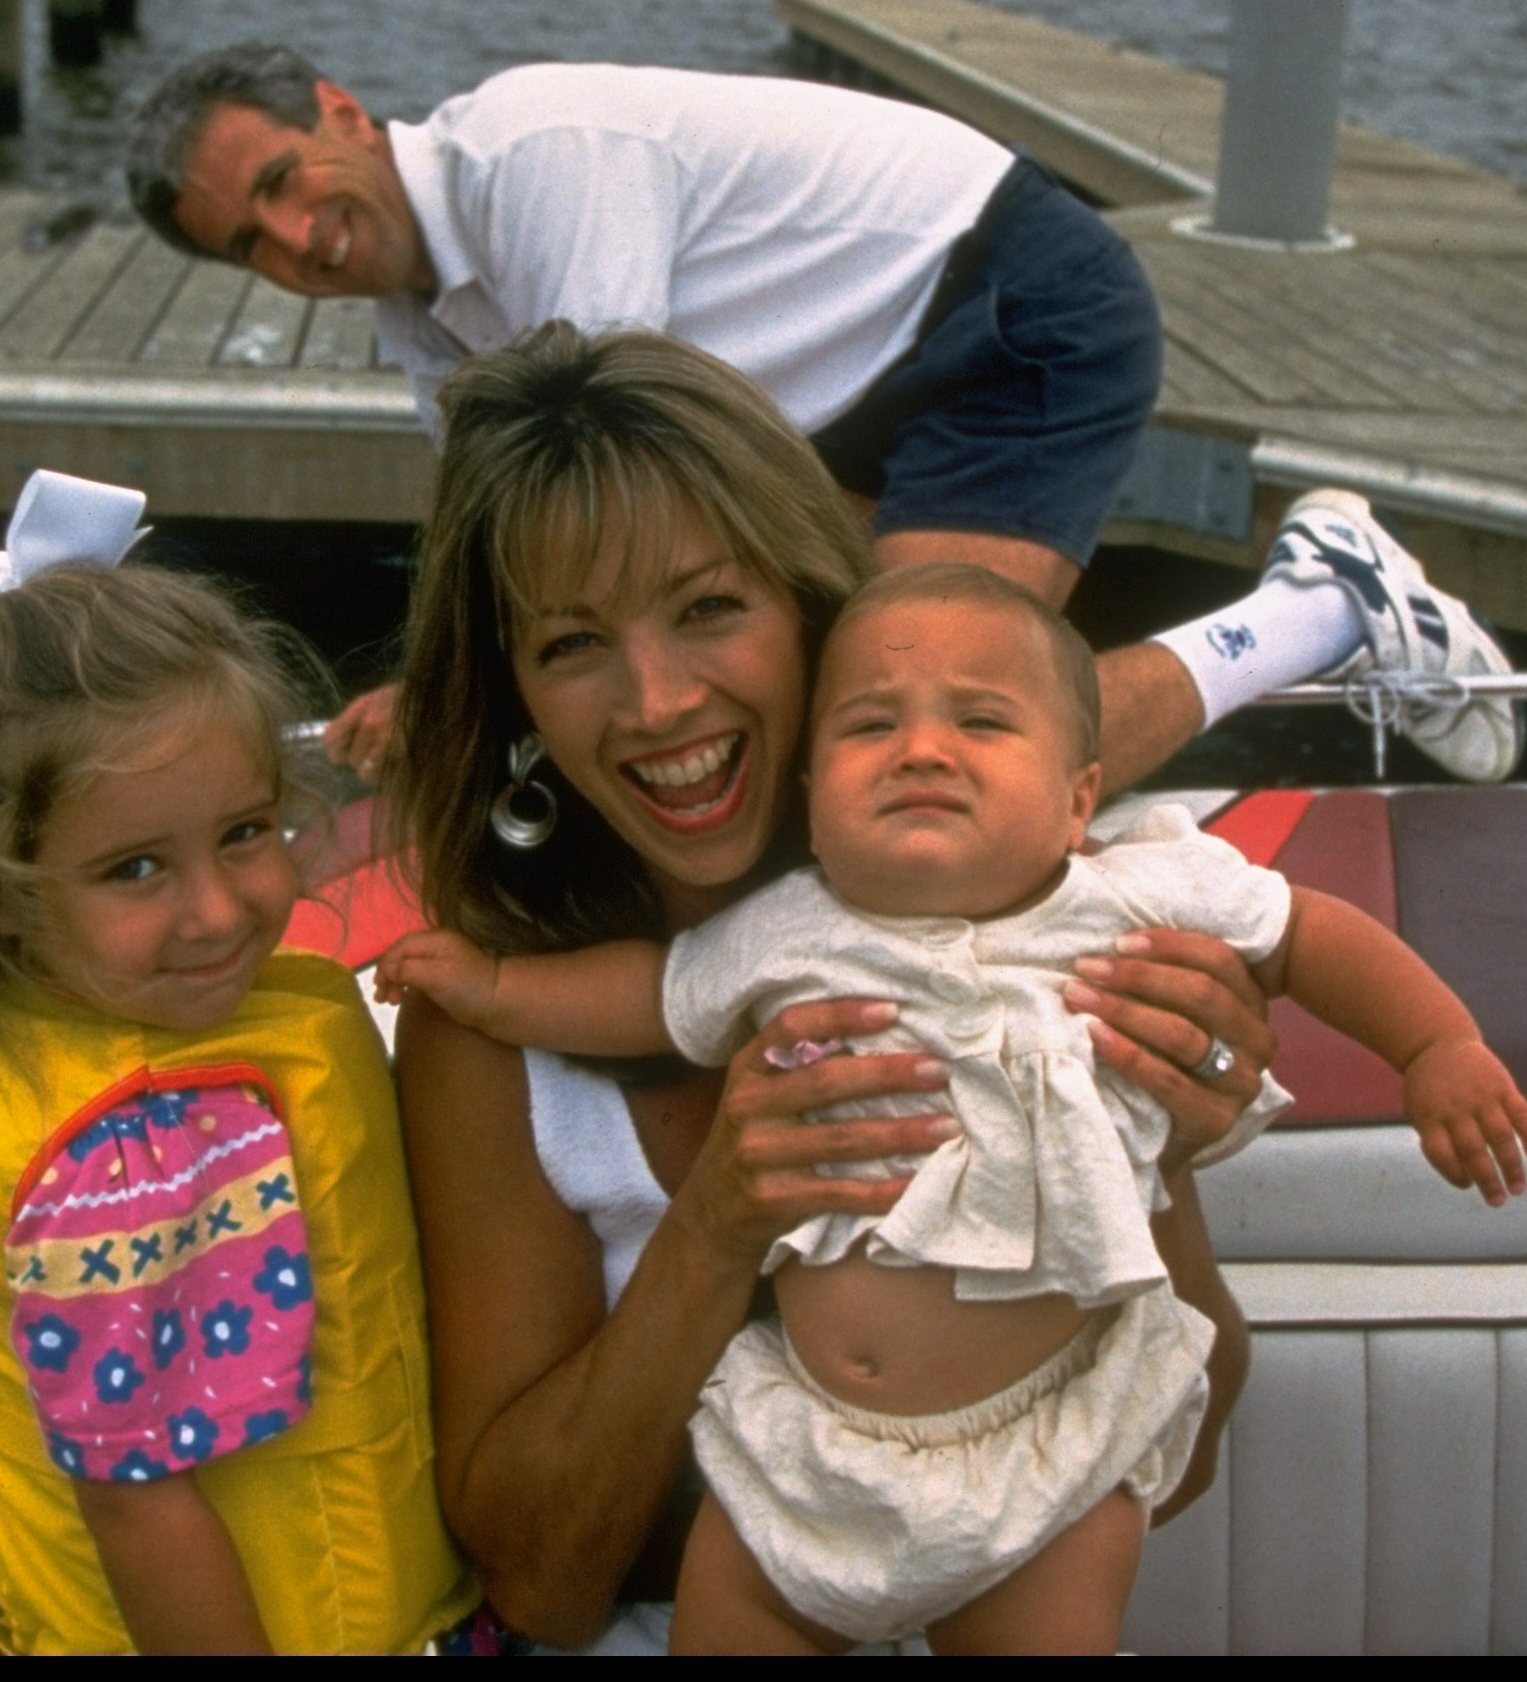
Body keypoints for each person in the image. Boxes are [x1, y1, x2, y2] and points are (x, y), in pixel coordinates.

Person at [383, 559, 1527, 1651]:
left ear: (1080, 796)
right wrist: (492, 987)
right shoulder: (790, 929)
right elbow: (651, 993)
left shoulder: (1138, 896)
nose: (923, 749)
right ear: (811, 792)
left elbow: (1307, 931)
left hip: (1051, 1435)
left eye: (982, 723)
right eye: (870, 725)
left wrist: (1437, 1043)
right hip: (807, 1451)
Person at [374, 324, 1298, 1653]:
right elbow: (541, 1586)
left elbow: (1184, 1449)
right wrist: (716, 1224)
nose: (655, 702)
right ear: (517, 695)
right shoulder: (492, 1036)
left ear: (812, 610)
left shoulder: (1027, 916)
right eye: (574, 643)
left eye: (708, 608)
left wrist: (1169, 1145)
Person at [122, 44, 1522, 794]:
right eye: (252, 241)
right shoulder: (420, 327)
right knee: (795, 701)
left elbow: (615, 490)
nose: (299, 237)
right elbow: (511, 549)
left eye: (290, 181)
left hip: (1001, 302)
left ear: (344, 111)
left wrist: (463, 698)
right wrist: (439, 683)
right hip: (826, 407)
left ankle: (1327, 604)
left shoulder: (540, 156)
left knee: (939, 720)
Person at [0, 470, 488, 1655]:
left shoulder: (26, 1019)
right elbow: (137, 1502)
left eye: (243, 831)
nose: (221, 907)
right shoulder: (141, 1145)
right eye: (135, 867)